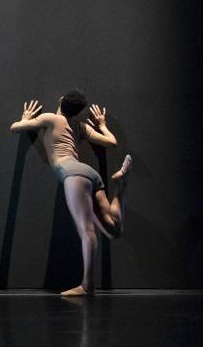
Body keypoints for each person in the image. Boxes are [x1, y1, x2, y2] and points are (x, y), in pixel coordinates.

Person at [9, 90, 131, 296]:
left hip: (73, 173)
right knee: (113, 231)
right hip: (90, 174)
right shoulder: (80, 126)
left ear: (60, 101)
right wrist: (102, 125)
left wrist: (25, 119)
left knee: (87, 231)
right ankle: (122, 185)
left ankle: (87, 285)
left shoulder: (50, 118)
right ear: (78, 111)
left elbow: (14, 128)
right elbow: (112, 142)